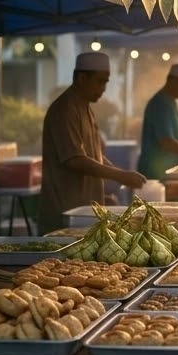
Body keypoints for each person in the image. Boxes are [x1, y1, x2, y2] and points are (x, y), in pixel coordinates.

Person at [39, 53, 148, 233]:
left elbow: (95, 156)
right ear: (82, 78)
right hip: (64, 215)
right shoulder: (65, 109)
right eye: (100, 82)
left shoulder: (86, 109)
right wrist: (120, 175)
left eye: (106, 82)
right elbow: (75, 160)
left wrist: (104, 196)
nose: (104, 88)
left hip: (86, 212)